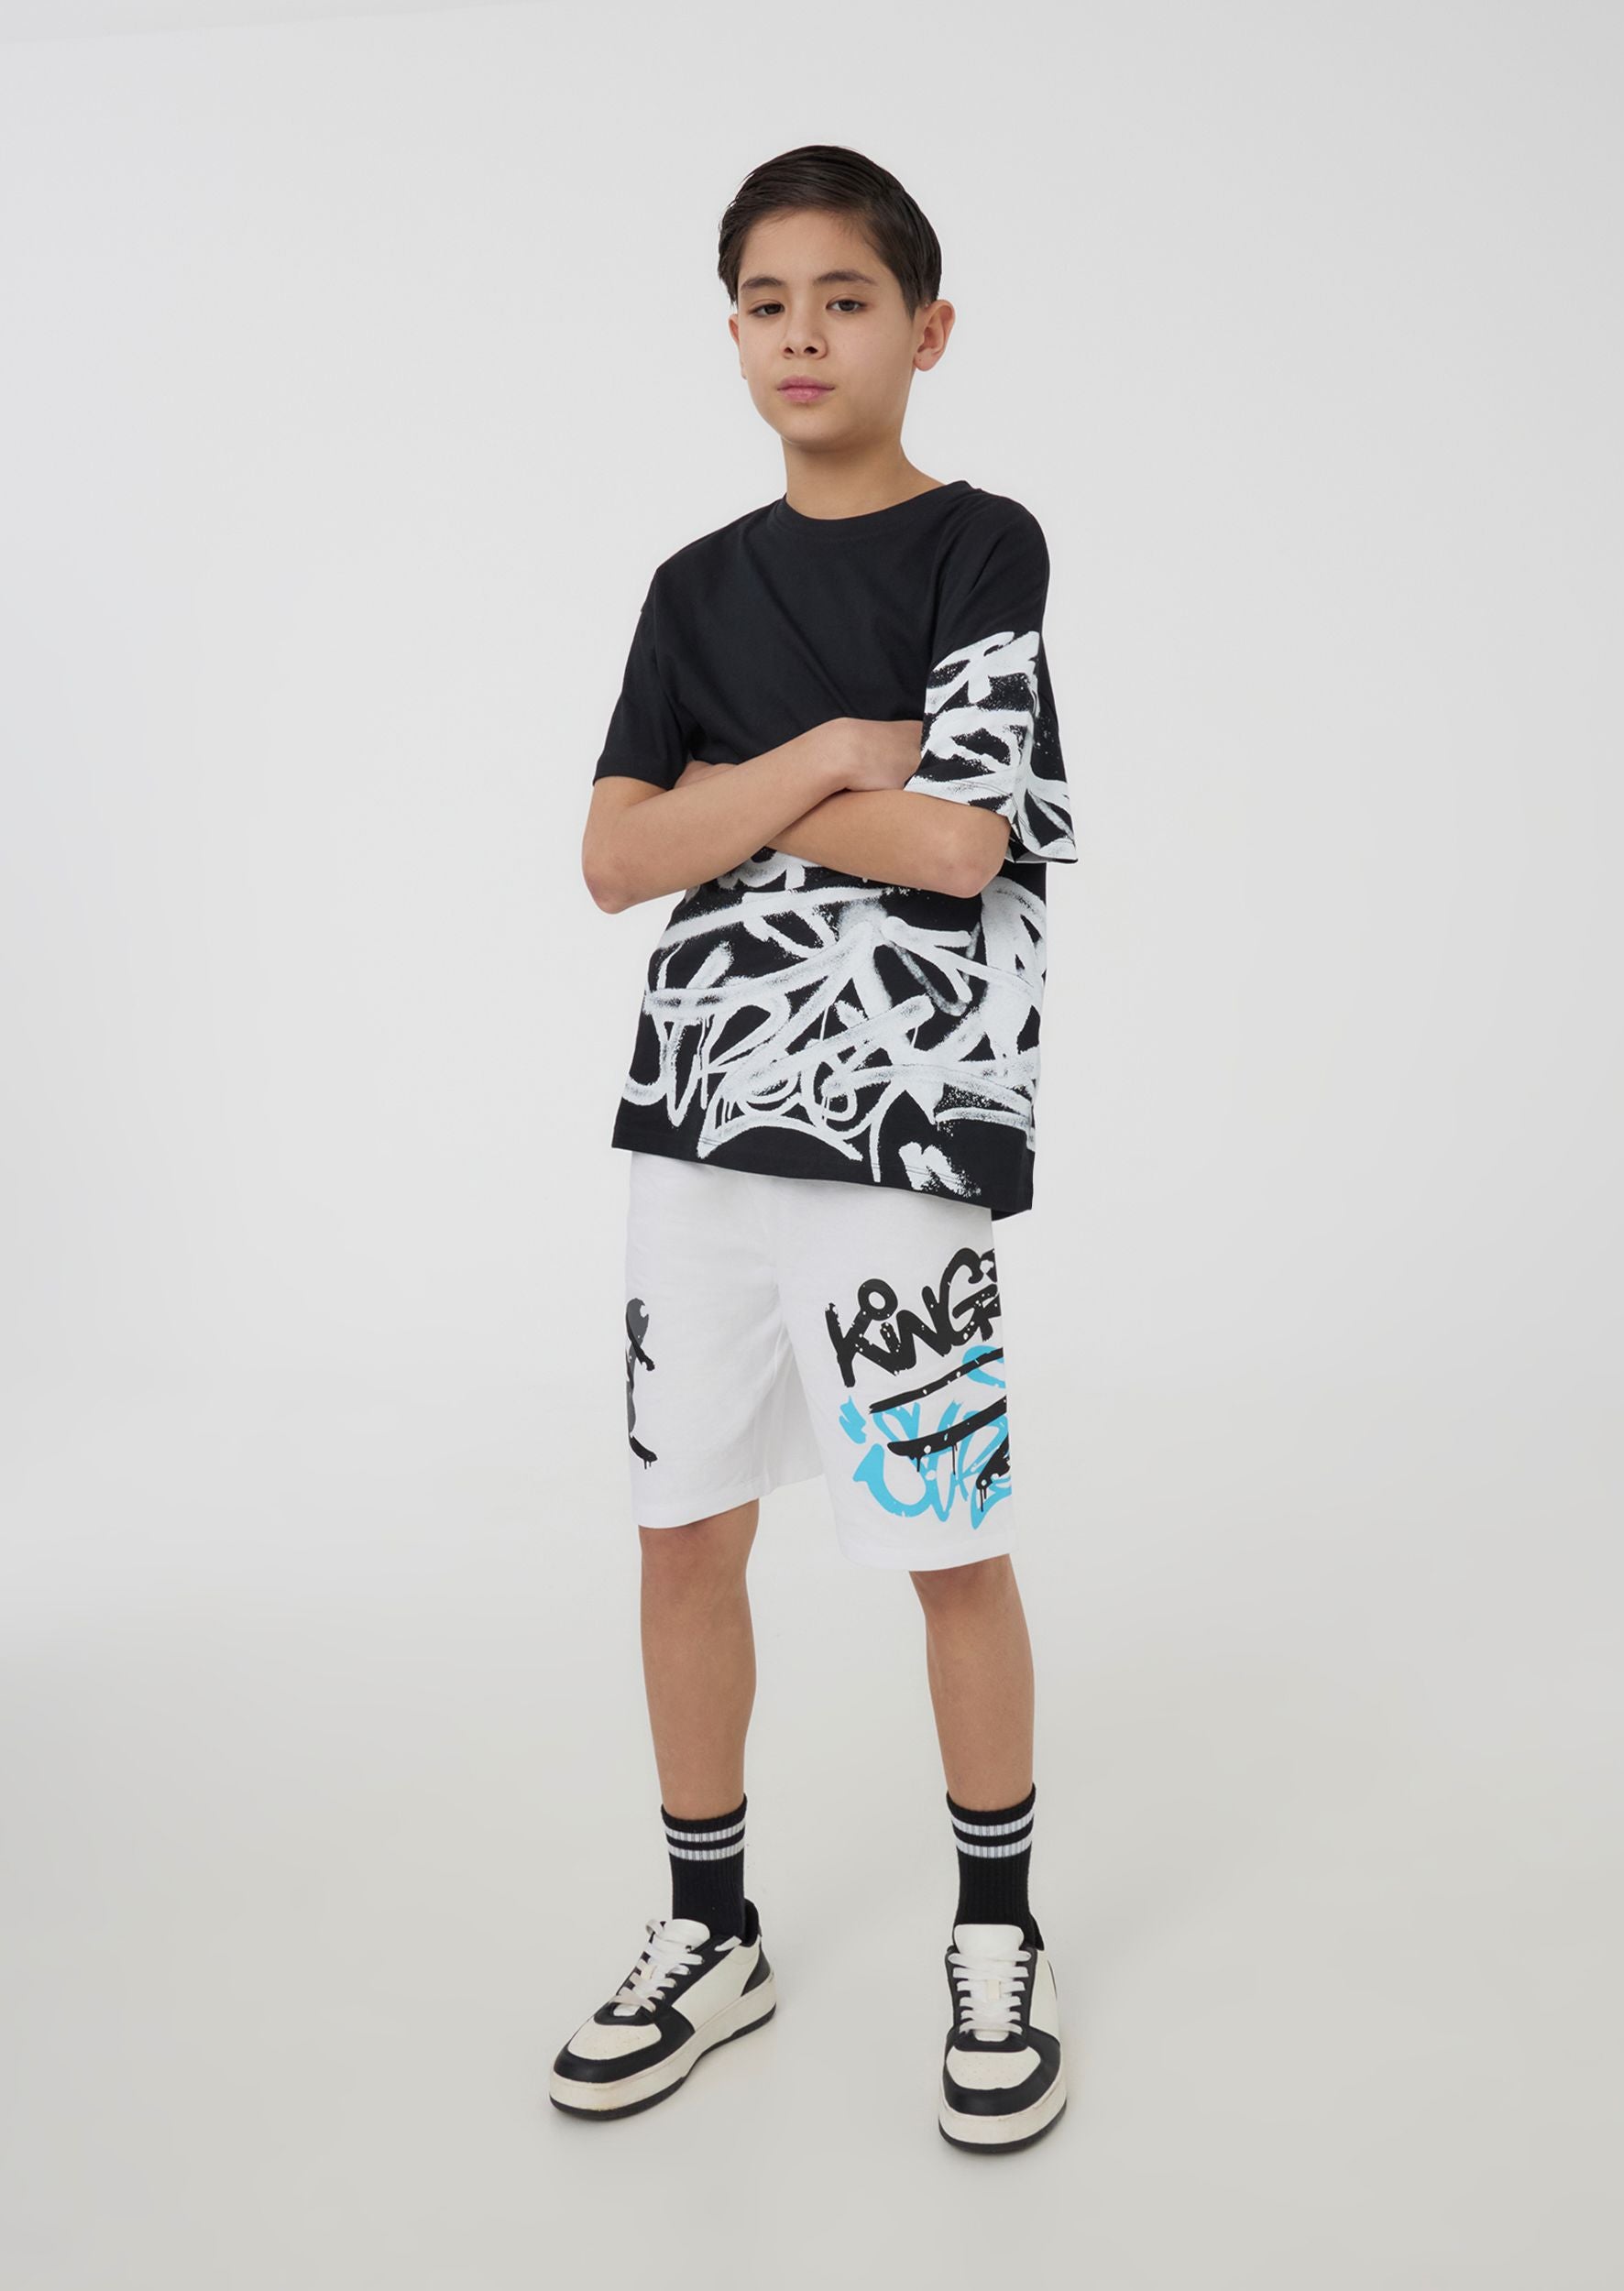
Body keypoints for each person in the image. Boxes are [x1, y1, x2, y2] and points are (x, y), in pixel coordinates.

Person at [549, 144, 1079, 2153]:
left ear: (923, 331)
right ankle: (712, 1935)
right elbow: (614, 861)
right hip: (693, 1126)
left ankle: (997, 1929)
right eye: (766, 301)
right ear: (732, 332)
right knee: (683, 1526)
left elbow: (956, 843)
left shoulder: (981, 548)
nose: (802, 333)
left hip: (899, 1132)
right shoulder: (692, 588)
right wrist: (824, 753)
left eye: (843, 298)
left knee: (945, 1535)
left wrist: (724, 795)